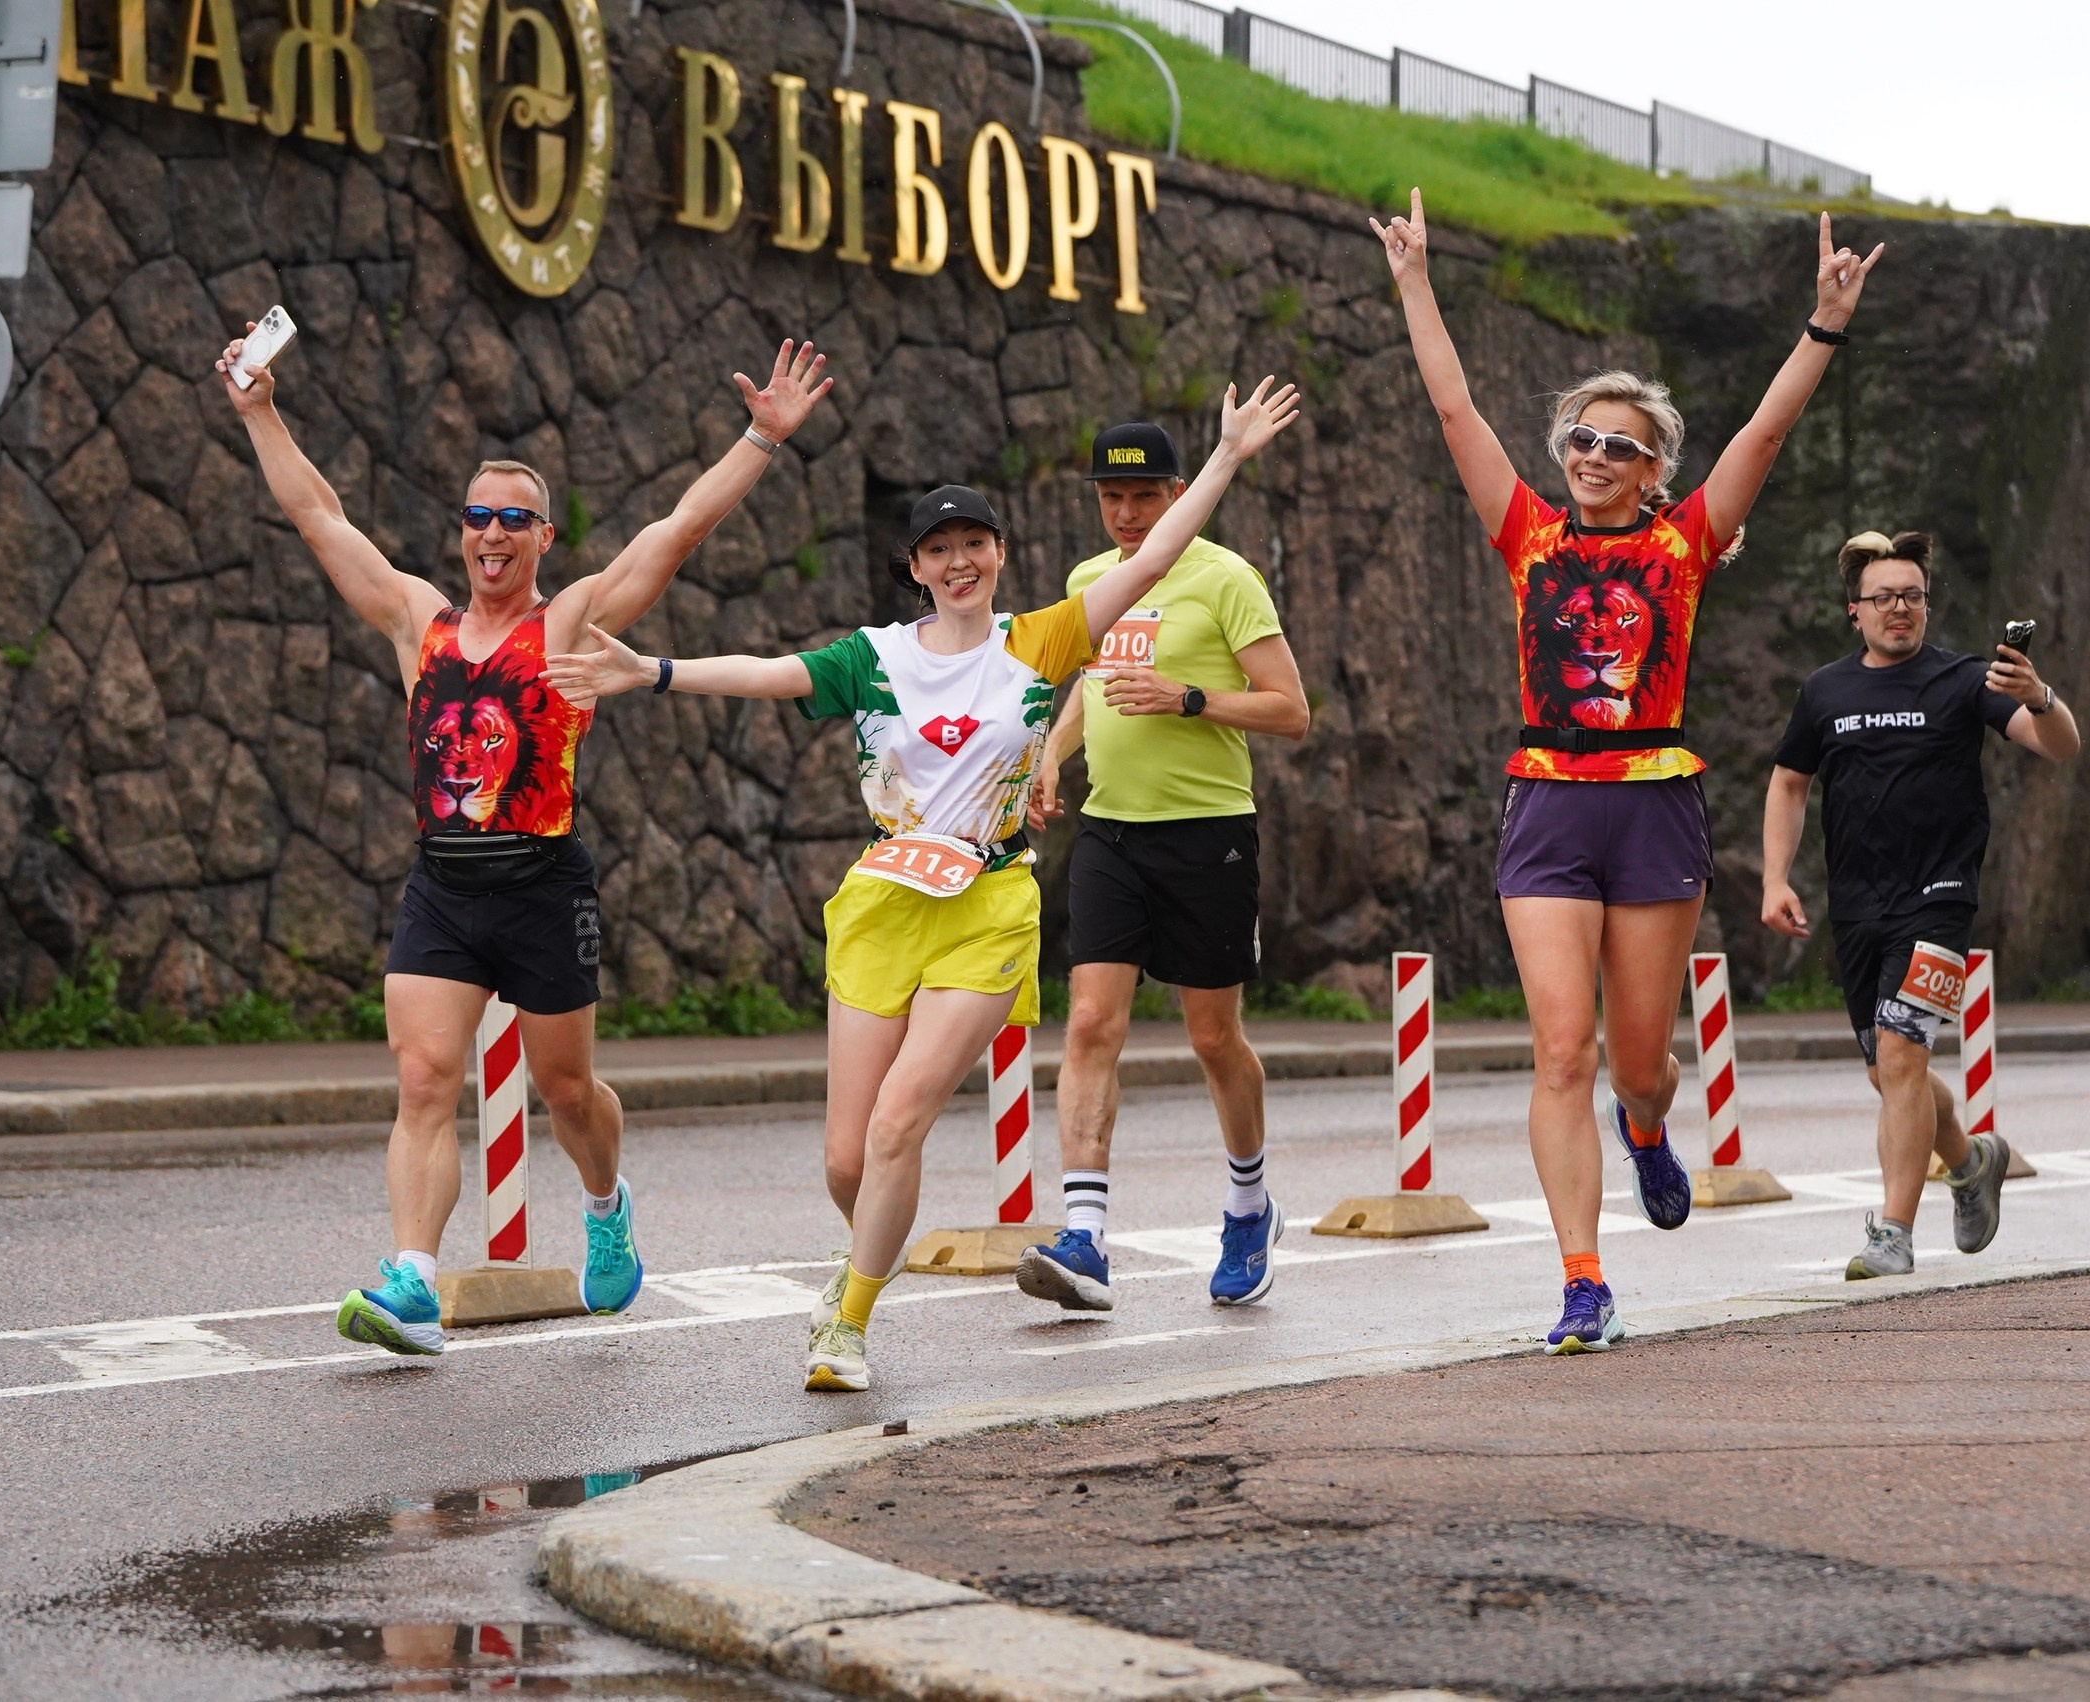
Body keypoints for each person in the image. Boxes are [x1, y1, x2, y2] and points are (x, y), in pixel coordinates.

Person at [544, 379, 1303, 1394]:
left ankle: (847, 1325)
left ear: (998, 556)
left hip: (986, 906)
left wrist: (1226, 457)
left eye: (974, 545)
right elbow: (771, 672)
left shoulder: (1041, 640)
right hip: (882, 905)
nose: (958, 562)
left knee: (902, 1120)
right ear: (914, 569)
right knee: (848, 1159)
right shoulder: (875, 658)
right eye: (938, 550)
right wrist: (659, 670)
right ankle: (865, 1256)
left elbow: (1158, 554)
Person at [216, 327, 833, 1357]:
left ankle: (604, 1206)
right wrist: (258, 412)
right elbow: (316, 514)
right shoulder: (420, 620)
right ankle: (414, 1280)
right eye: (476, 517)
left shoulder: (573, 624)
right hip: (444, 888)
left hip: (545, 883)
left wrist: (760, 440)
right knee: (423, 1080)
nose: (491, 533)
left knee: (566, 1091)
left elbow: (674, 531)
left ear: (543, 537)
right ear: (460, 533)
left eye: (513, 519)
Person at [1373, 191, 1885, 1354]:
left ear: (1655, 473)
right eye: (1580, 441)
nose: (1594, 456)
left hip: (1654, 803)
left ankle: (1647, 1132)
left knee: (1640, 1061)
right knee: (1561, 1047)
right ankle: (1581, 1278)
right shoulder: (1526, 534)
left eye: (1620, 445)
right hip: (1549, 798)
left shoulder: (1683, 542)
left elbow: (1762, 434)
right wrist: (1413, 278)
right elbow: (1452, 406)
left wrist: (1823, 325)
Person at [1009, 422, 1312, 1314]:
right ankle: (1086, 1241)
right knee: (1091, 1023)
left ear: (1179, 493)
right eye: (1112, 497)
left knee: (1214, 1038)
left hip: (1209, 833)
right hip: (1111, 834)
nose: (1128, 513)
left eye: (1144, 496)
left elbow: (1291, 710)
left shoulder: (1225, 578)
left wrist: (1189, 700)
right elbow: (1088, 679)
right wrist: (1050, 753)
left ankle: (1250, 1206)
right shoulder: (1089, 581)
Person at [1762, 530, 2081, 1278]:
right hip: (1858, 907)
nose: (1898, 609)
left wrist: (2043, 695)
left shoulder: (1966, 680)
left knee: (1903, 1056)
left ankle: (1893, 1234)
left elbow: (2059, 745)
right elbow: (1788, 784)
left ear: (1927, 607)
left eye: (1912, 596)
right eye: (1883, 598)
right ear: (1855, 611)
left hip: (1939, 901)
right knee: (1887, 1073)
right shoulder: (1826, 692)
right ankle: (1971, 1163)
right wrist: (1776, 878)